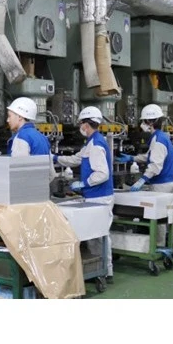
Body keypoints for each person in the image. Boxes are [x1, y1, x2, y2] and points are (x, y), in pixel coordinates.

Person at [52, 106, 115, 282]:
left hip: (100, 196)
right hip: (95, 195)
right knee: (94, 234)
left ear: (86, 125)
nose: (80, 127)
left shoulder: (96, 145)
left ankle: (106, 270)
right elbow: (76, 159)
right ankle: (99, 269)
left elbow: (102, 174)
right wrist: (56, 158)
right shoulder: (92, 142)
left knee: (100, 234)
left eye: (81, 124)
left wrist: (84, 183)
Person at [115, 103, 173, 255]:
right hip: (169, 182)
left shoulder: (158, 140)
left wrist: (142, 180)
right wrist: (132, 158)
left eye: (143, 121)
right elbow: (150, 156)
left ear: (150, 122)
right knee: (172, 216)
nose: (142, 125)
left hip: (161, 185)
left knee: (159, 217)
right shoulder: (161, 137)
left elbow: (155, 165)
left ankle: (159, 247)